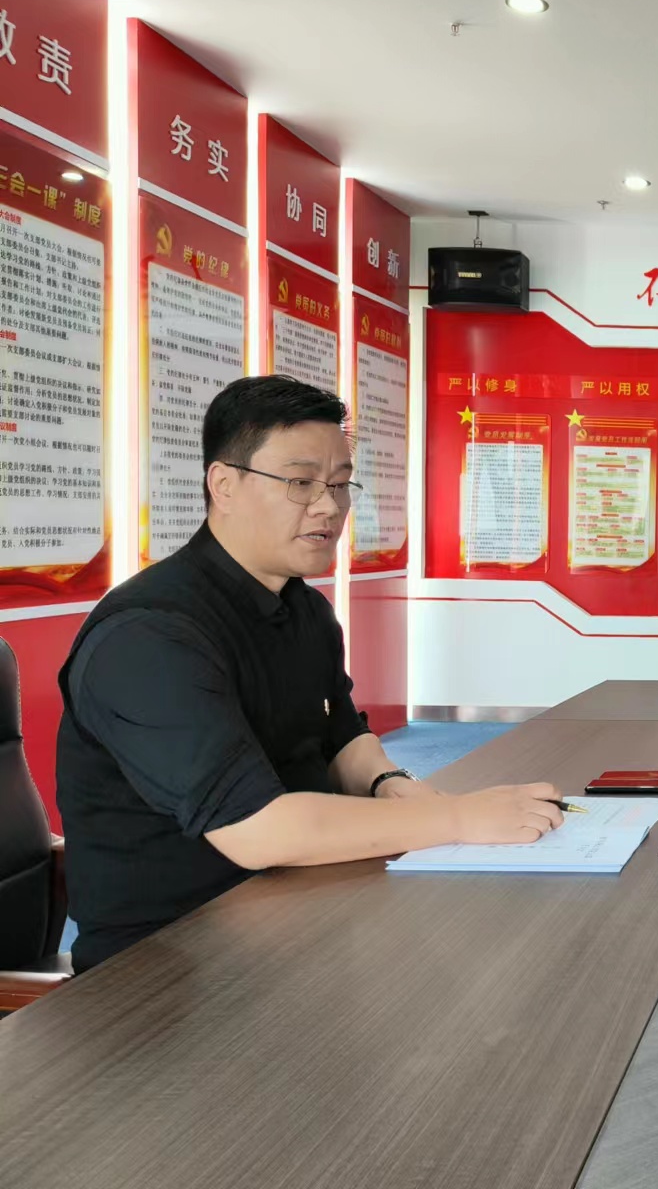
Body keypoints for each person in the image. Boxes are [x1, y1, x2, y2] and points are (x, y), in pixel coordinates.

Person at [56, 376, 566, 972]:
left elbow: (342, 737)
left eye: (340, 484)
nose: (328, 506)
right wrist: (456, 818)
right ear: (223, 484)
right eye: (300, 483)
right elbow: (256, 831)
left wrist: (388, 783)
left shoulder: (305, 609)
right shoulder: (149, 636)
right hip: (169, 964)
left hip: (295, 907)